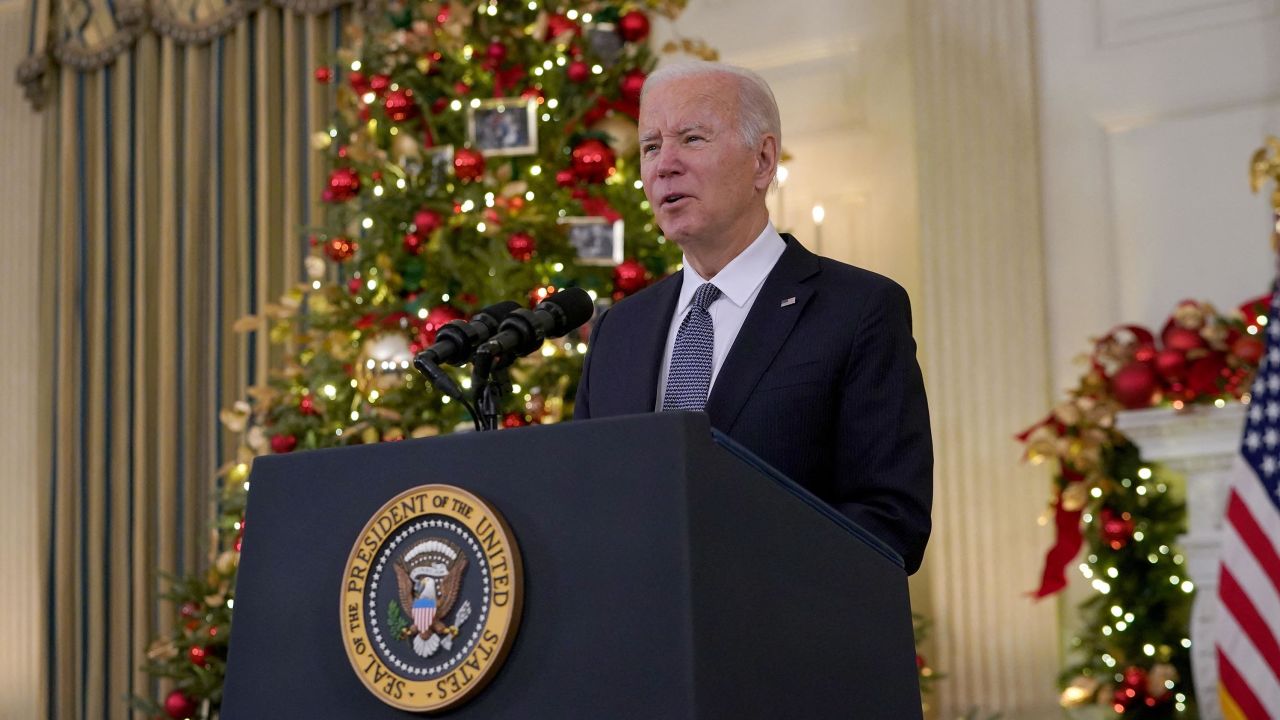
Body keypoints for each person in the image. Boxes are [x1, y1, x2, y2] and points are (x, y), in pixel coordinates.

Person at [573, 62, 933, 575]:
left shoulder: (857, 310)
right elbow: (584, 502)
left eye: (691, 139)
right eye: (651, 146)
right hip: (640, 642)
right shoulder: (617, 331)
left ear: (762, 161)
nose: (664, 165)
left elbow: (891, 521)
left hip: (781, 639)